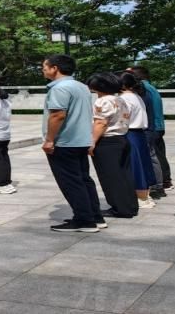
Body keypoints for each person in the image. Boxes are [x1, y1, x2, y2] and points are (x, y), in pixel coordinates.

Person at [41, 54, 103, 233]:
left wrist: (49, 140)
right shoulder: (81, 86)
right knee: (84, 180)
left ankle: (84, 220)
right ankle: (95, 216)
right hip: (80, 140)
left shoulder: (60, 88)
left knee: (71, 182)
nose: (43, 70)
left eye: (45, 67)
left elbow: (58, 115)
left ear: (55, 68)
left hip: (65, 142)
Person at [87, 73, 139, 218]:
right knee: (124, 175)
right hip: (122, 138)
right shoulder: (120, 99)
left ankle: (120, 208)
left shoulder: (102, 101)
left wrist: (92, 142)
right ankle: (130, 205)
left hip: (107, 141)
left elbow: (101, 123)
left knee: (110, 177)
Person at [128, 66, 171, 194]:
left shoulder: (143, 89)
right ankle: (164, 182)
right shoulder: (150, 87)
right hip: (157, 125)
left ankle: (158, 185)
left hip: (151, 126)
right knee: (157, 155)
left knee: (152, 156)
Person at [119, 72, 157, 209]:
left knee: (135, 166)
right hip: (139, 134)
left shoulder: (124, 98)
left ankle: (141, 197)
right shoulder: (137, 96)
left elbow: (122, 119)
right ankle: (145, 195)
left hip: (129, 133)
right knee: (142, 165)